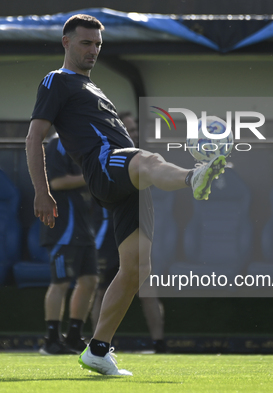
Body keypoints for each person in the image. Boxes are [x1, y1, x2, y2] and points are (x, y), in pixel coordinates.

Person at [26, 14, 225, 376]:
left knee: (136, 270)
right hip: (104, 167)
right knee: (147, 158)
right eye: (86, 43)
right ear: (66, 43)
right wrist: (42, 191)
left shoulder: (95, 88)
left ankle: (98, 350)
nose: (93, 50)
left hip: (126, 181)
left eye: (98, 45)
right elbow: (33, 137)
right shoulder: (56, 81)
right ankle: (194, 176)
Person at [90, 111, 166, 354]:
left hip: (135, 231)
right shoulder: (103, 156)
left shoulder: (143, 160)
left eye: (135, 130)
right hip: (108, 236)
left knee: (147, 289)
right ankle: (98, 345)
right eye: (129, 130)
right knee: (101, 290)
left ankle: (159, 344)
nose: (133, 134)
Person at [38, 135, 99, 355]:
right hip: (63, 229)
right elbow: (56, 182)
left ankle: (74, 336)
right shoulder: (57, 144)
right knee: (60, 283)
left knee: (90, 281)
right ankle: (51, 340)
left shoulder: (86, 144)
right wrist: (90, 176)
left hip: (84, 229)